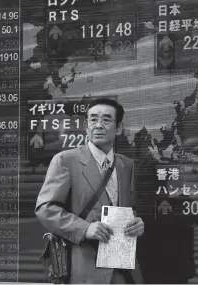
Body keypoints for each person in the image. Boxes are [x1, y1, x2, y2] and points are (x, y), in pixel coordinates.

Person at [35, 98, 145, 284]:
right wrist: (85, 228)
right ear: (86, 126)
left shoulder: (125, 165)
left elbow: (129, 208)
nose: (99, 125)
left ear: (119, 128)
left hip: (123, 268)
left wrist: (136, 223)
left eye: (107, 120)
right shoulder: (66, 161)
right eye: (93, 120)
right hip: (83, 268)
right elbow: (45, 208)